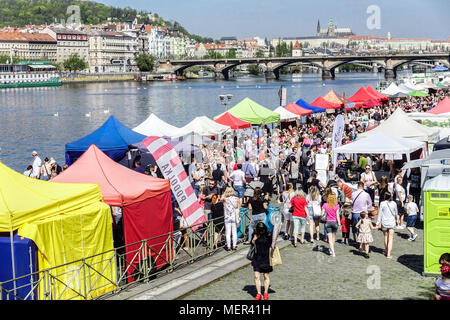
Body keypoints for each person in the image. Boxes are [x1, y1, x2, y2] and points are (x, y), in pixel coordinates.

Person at [251, 222, 273, 300]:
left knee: (265, 276)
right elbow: (252, 244)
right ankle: (259, 293)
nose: (261, 232)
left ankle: (266, 292)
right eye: (259, 230)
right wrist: (254, 239)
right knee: (256, 276)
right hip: (257, 257)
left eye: (262, 230)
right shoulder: (255, 233)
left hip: (266, 258)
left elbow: (272, 245)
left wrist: (274, 243)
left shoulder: (268, 234)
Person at [376, 192, 399, 259]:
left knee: (386, 236)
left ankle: (386, 250)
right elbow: (396, 213)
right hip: (392, 222)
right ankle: (388, 254)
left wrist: (378, 223)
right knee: (391, 238)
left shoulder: (382, 203)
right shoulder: (394, 203)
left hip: (384, 222)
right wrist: (397, 221)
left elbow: (380, 214)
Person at [221, 186, 241, 251]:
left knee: (228, 232)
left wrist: (225, 193)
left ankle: (229, 246)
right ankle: (234, 246)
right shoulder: (237, 198)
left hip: (227, 217)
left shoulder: (225, 199)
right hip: (234, 217)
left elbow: (221, 198)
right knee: (234, 232)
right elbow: (239, 207)